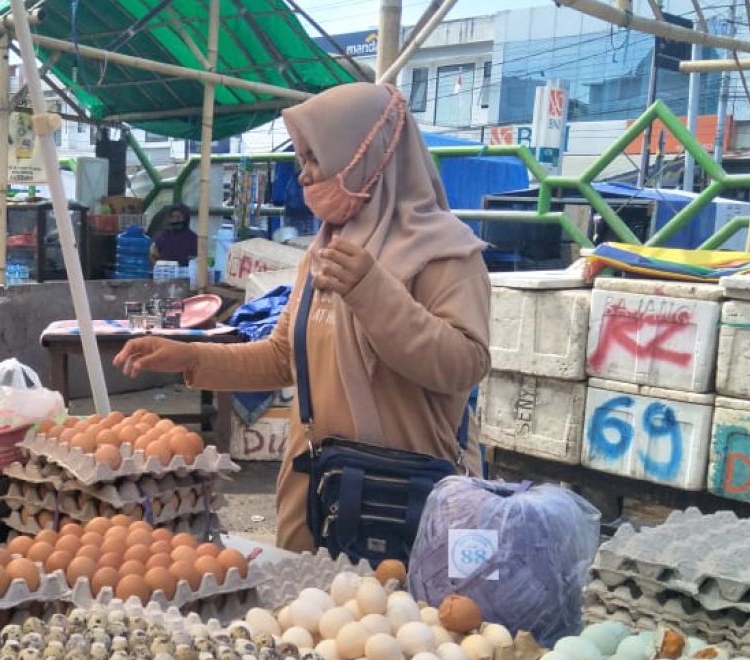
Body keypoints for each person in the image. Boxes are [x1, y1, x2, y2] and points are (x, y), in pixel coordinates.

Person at [114, 83, 491, 553]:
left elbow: (464, 365)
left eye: (317, 160)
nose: (306, 177)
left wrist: (373, 293)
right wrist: (189, 356)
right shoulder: (327, 249)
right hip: (320, 495)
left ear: (367, 155)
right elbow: (282, 356)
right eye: (303, 160)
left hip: (405, 502)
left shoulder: (445, 252)